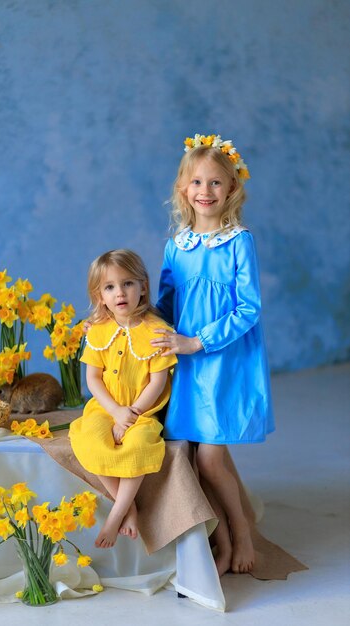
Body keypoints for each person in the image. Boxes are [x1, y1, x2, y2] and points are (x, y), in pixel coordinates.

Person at [151, 133, 274, 576]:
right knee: (194, 455)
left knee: (209, 457)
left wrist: (197, 341)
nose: (206, 191)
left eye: (216, 183)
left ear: (232, 189)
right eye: (197, 182)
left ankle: (241, 532)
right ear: (184, 189)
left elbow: (248, 308)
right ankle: (218, 542)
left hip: (223, 361)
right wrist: (113, 320)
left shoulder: (239, 241)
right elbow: (163, 307)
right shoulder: (176, 246)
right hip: (186, 365)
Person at [69, 249, 177, 549]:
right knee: (89, 439)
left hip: (142, 411)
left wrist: (131, 415)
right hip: (105, 407)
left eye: (128, 283)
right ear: (99, 296)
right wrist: (115, 412)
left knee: (140, 444)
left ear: (143, 287)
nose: (120, 293)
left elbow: (158, 381)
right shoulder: (99, 332)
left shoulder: (158, 331)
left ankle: (117, 512)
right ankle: (128, 508)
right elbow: (92, 379)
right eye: (110, 287)